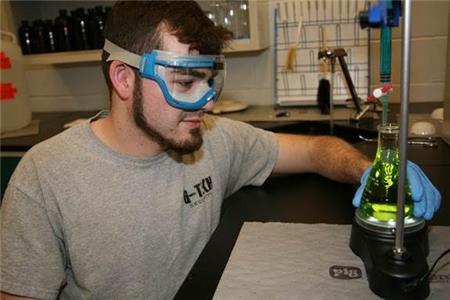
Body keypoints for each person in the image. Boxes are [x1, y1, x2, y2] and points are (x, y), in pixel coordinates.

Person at [0, 1, 440, 299]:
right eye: (186, 83)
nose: (207, 101)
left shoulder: (213, 139)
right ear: (123, 78)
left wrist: (374, 171)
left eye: (210, 81)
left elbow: (314, 150)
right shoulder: (45, 177)